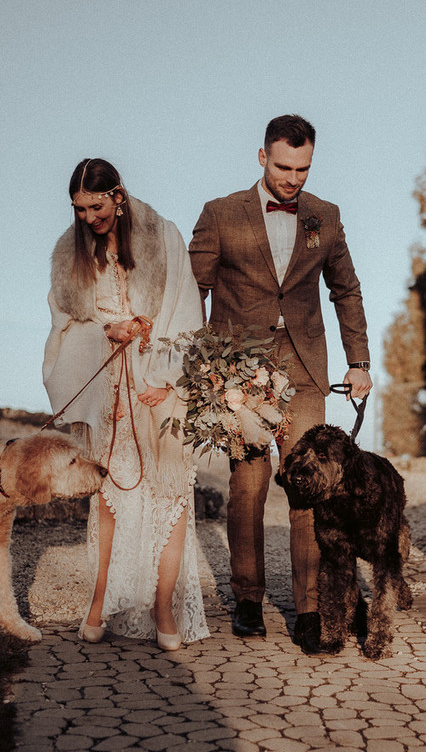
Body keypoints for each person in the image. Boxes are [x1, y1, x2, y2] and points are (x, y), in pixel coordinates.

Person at [189, 115, 372, 654]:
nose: (293, 179)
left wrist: (359, 362)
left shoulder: (325, 216)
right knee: (248, 485)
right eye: (284, 167)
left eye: (303, 169)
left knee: (311, 487)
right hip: (240, 373)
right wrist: (206, 366)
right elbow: (193, 289)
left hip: (305, 370)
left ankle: (310, 609)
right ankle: (248, 598)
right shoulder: (220, 213)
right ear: (262, 157)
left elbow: (347, 290)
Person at [42, 158, 209, 650]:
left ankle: (164, 609)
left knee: (170, 497)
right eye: (79, 209)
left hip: (158, 382)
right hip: (107, 390)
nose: (88, 218)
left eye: (96, 206)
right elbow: (63, 328)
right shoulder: (70, 256)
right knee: (110, 494)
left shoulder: (163, 237)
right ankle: (98, 603)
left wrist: (167, 380)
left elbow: (185, 311)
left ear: (118, 196)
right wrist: (103, 332)